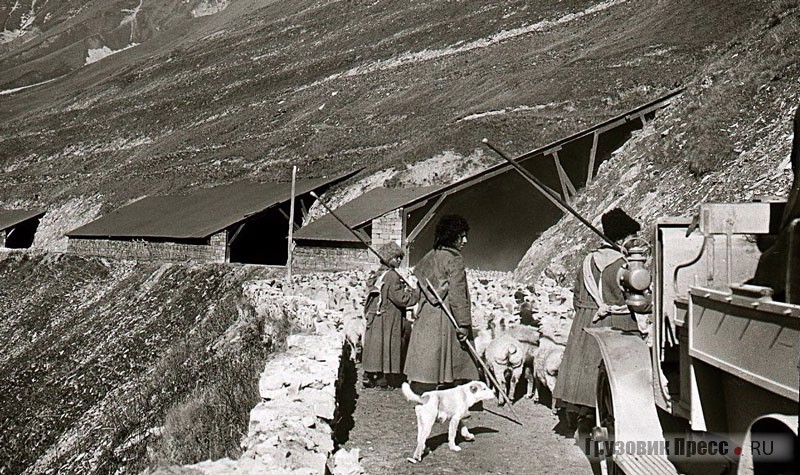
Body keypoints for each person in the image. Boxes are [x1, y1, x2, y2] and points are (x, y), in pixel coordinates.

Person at [552, 208, 642, 437]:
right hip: (617, 320)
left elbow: (576, 297)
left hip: (587, 319)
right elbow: (637, 300)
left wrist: (588, 312)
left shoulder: (587, 260)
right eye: (630, 237)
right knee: (617, 372)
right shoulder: (627, 265)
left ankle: (585, 416)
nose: (632, 243)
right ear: (621, 238)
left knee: (586, 369)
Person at [404, 214, 479, 395]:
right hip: (446, 316)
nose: (465, 241)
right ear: (452, 236)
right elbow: (458, 295)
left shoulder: (429, 257)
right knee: (452, 356)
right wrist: (463, 324)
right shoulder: (455, 259)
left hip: (427, 315)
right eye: (462, 236)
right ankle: (450, 393)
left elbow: (420, 290)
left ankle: (425, 388)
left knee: (429, 353)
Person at [361, 242, 419, 390]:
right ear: (388, 258)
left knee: (375, 346)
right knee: (388, 345)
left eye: (400, 257)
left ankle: (370, 374)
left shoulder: (378, 273)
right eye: (396, 257)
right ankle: (384, 378)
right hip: (389, 317)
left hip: (377, 315)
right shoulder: (392, 276)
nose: (399, 260)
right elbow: (400, 298)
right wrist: (415, 294)